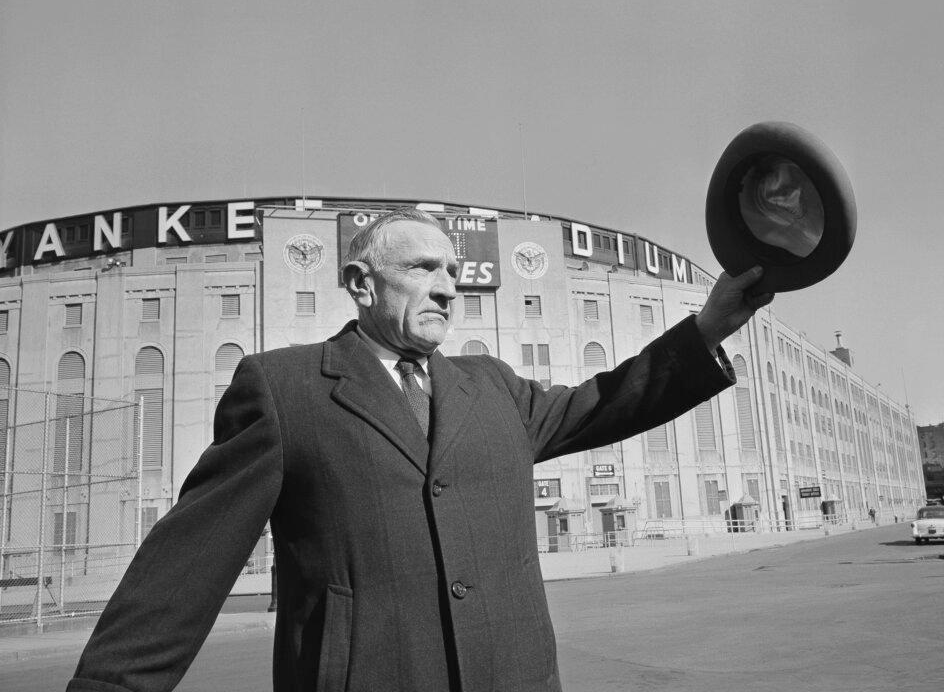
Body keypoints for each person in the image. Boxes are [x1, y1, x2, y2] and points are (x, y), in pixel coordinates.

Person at [66, 210, 773, 692]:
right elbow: (186, 565)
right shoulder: (284, 392)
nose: (448, 287)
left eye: (454, 273)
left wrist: (708, 325)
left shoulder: (492, 389)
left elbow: (608, 399)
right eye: (425, 269)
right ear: (361, 283)